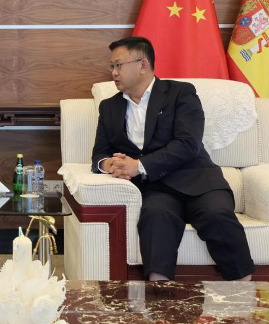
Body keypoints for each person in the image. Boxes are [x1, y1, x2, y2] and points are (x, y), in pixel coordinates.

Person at [91, 36, 254, 282]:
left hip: (199, 181)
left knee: (217, 215)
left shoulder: (180, 93)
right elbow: (99, 153)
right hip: (156, 188)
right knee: (155, 218)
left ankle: (243, 291)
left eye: (118, 65)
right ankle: (160, 295)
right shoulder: (109, 107)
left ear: (142, 64)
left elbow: (188, 144)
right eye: (112, 66)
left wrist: (139, 166)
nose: (113, 72)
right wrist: (109, 164)